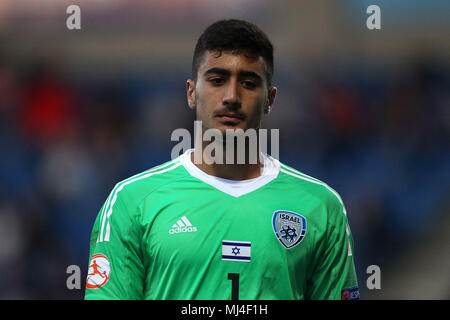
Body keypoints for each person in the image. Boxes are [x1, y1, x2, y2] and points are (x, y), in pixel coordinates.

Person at [85, 19, 359, 300]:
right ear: (191, 92)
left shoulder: (321, 207)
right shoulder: (131, 201)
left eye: (249, 83)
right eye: (217, 80)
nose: (232, 96)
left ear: (270, 99)